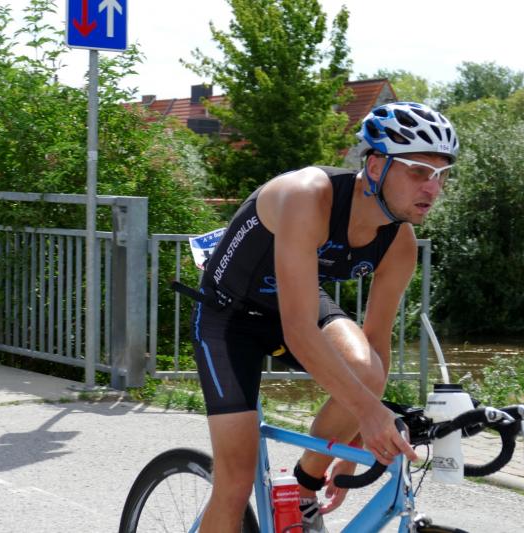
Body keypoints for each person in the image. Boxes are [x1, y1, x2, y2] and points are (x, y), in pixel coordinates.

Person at [188, 101, 459, 532]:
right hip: (229, 315)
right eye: (418, 171)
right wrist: (368, 414)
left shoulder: (400, 243)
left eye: (442, 174)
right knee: (235, 483)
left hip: (293, 301)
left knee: (366, 368)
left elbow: (377, 346)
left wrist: (350, 443)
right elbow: (298, 331)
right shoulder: (308, 196)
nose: (433, 187)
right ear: (375, 166)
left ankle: (304, 486)